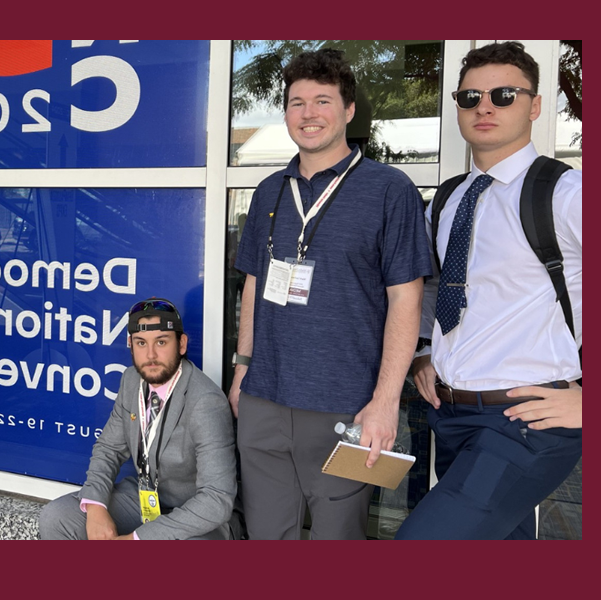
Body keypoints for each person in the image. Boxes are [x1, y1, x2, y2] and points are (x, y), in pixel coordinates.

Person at [228, 49, 430, 540]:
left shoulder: (389, 190)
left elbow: (407, 300)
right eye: (297, 103)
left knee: (337, 538)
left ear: (348, 110)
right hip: (264, 400)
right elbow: (255, 284)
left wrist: (385, 402)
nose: (309, 114)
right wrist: (241, 370)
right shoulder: (269, 190)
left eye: (322, 100)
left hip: (346, 406)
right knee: (267, 536)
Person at [397, 42, 583, 540]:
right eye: (470, 96)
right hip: (454, 416)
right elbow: (438, 288)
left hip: (525, 421)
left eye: (504, 94)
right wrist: (425, 352)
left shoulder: (567, 194)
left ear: (535, 106)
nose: (485, 106)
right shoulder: (448, 199)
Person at [39, 298, 236, 540]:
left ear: (181, 344)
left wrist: (138, 539)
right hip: (144, 500)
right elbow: (109, 449)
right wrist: (96, 506)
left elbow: (216, 499)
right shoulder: (131, 380)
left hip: (193, 516)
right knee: (57, 518)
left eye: (161, 342)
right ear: (130, 346)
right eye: (141, 343)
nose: (151, 354)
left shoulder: (205, 401)